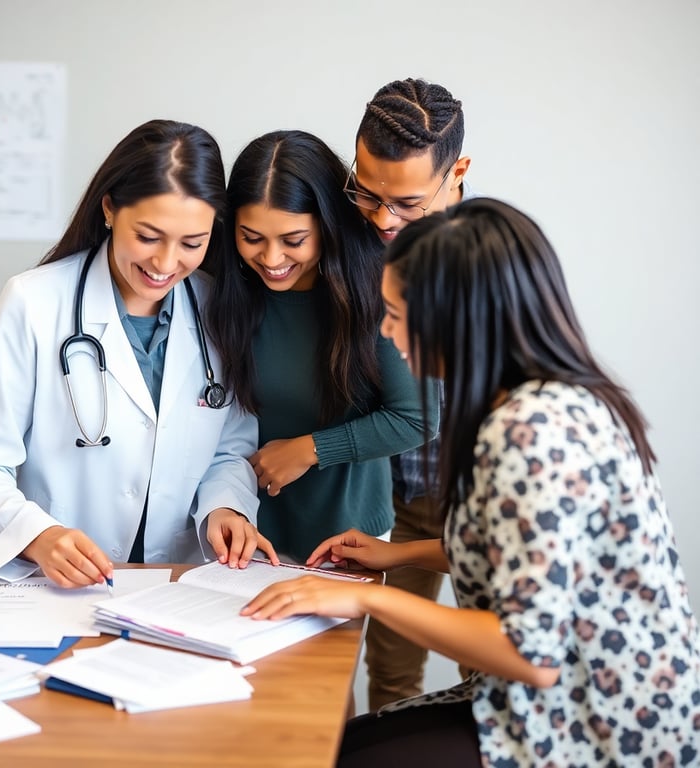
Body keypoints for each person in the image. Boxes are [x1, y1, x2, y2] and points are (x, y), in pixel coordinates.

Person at [242, 198, 700, 767]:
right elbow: (522, 558)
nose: (385, 330)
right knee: (351, 740)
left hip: (598, 723)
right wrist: (396, 555)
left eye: (394, 312)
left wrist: (361, 597)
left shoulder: (533, 431)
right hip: (557, 697)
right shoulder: (544, 400)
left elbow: (530, 652)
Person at [0, 119, 278, 588]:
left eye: (192, 243)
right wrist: (38, 536)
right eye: (148, 236)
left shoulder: (218, 308)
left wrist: (225, 506)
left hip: (177, 584)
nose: (165, 263)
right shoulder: (34, 302)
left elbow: (229, 449)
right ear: (109, 209)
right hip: (54, 582)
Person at [204, 129, 434, 565]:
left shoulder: (381, 286)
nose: (271, 259)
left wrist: (308, 450)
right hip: (237, 523)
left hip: (344, 533)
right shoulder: (220, 286)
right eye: (252, 238)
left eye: (293, 241)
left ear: (327, 226)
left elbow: (418, 417)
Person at [346, 77, 473, 709]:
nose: (382, 218)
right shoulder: (353, 240)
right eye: (367, 192)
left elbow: (530, 645)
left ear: (458, 173)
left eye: (407, 203)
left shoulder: (494, 259)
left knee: (469, 675)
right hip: (383, 491)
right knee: (381, 675)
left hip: (469, 493)